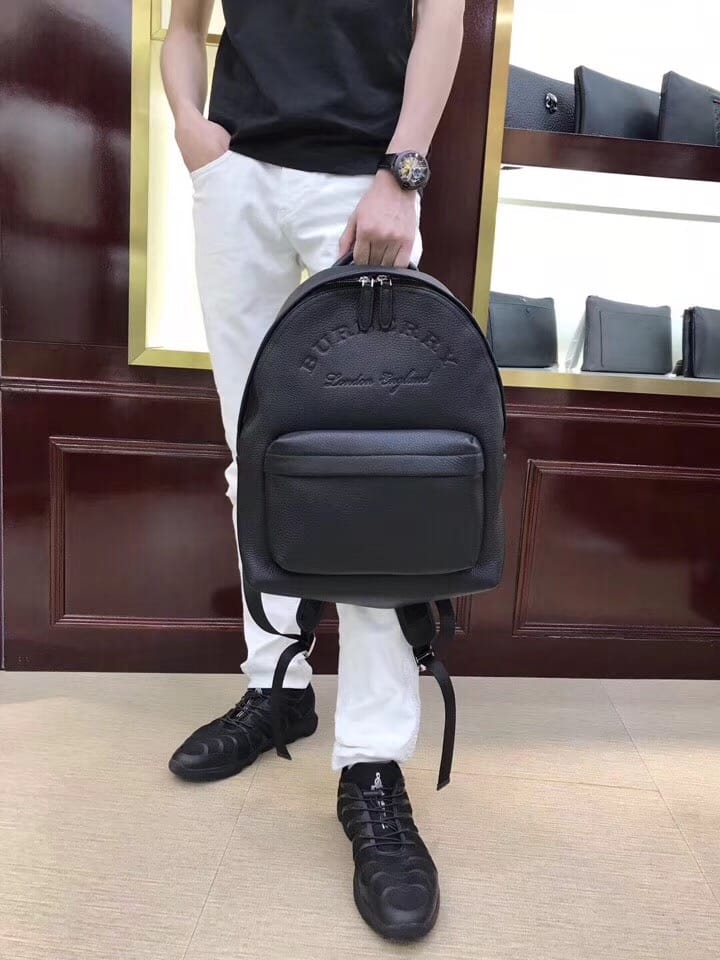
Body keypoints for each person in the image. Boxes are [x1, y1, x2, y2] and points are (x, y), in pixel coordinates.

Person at [161, 0, 465, 941]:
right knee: (251, 460)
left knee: (372, 487)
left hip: (363, 182)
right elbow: (183, 24)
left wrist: (403, 173)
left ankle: (371, 760)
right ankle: (279, 689)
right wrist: (192, 131)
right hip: (237, 177)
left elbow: (442, 19)